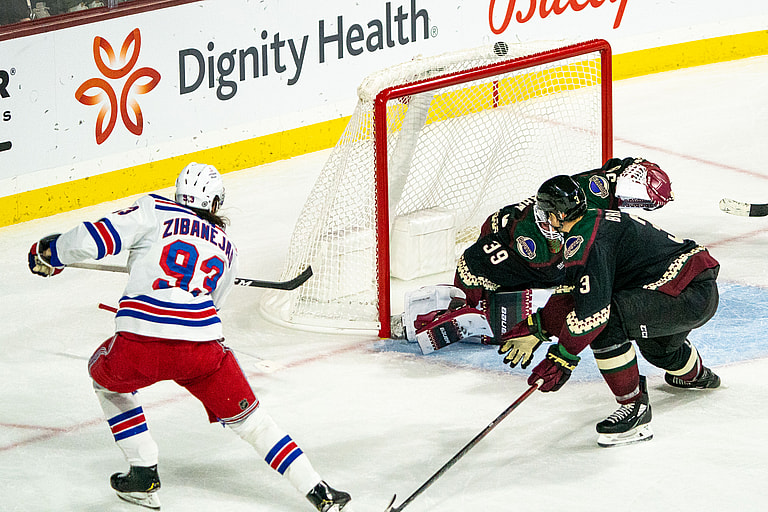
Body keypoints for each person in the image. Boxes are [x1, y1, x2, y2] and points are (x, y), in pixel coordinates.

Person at [28, 163, 351, 511]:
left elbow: (95, 237)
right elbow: (215, 303)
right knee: (253, 422)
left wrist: (53, 252)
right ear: (214, 204)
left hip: (141, 344)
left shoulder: (153, 210)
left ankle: (143, 472)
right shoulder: (228, 249)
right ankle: (319, 491)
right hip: (203, 351)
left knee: (107, 381)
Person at [399, 157, 674, 360]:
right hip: (517, 242)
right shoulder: (540, 240)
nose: (648, 209)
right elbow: (561, 257)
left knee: (485, 265)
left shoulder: (601, 186)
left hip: (523, 235)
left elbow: (617, 166)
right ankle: (467, 301)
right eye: (647, 204)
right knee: (475, 265)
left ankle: (476, 298)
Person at [520, 174, 720, 447]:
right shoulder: (593, 220)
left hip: (685, 295)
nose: (545, 220)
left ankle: (634, 408)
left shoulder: (585, 241)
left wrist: (561, 359)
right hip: (690, 290)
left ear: (558, 214)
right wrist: (537, 328)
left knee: (608, 322)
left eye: (547, 213)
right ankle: (695, 375)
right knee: (659, 350)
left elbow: (592, 314)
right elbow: (572, 293)